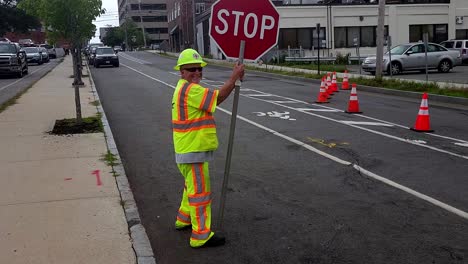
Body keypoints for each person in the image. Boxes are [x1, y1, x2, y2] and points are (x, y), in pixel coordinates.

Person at [171, 48, 244, 248]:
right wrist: (234, 78)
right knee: (200, 193)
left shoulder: (182, 87)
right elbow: (217, 98)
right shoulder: (190, 89)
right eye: (191, 69)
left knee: (191, 188)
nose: (196, 73)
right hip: (192, 151)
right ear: (182, 72)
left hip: (188, 150)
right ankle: (200, 235)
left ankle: (183, 219)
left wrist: (233, 79)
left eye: (199, 69)